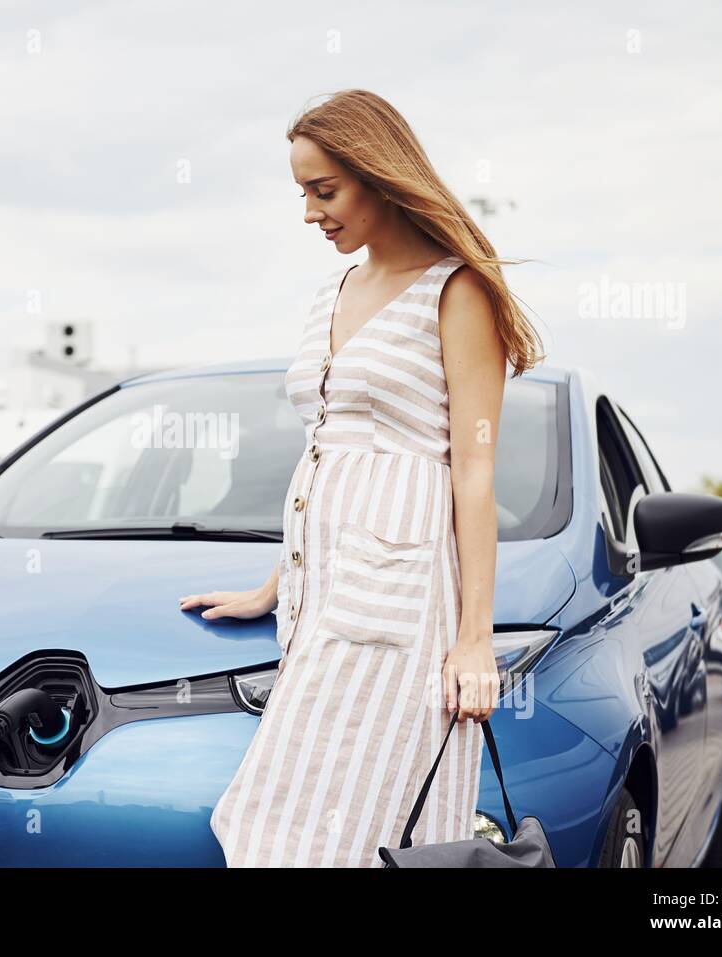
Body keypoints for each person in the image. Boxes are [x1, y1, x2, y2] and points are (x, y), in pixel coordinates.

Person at [182, 89, 545, 867]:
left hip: (402, 600)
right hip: (321, 595)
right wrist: (273, 582)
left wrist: (475, 639)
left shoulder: (457, 290)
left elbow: (474, 467)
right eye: (303, 194)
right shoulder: (332, 295)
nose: (311, 213)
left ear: (380, 177)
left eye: (324, 191)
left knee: (327, 827)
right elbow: (330, 453)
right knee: (296, 821)